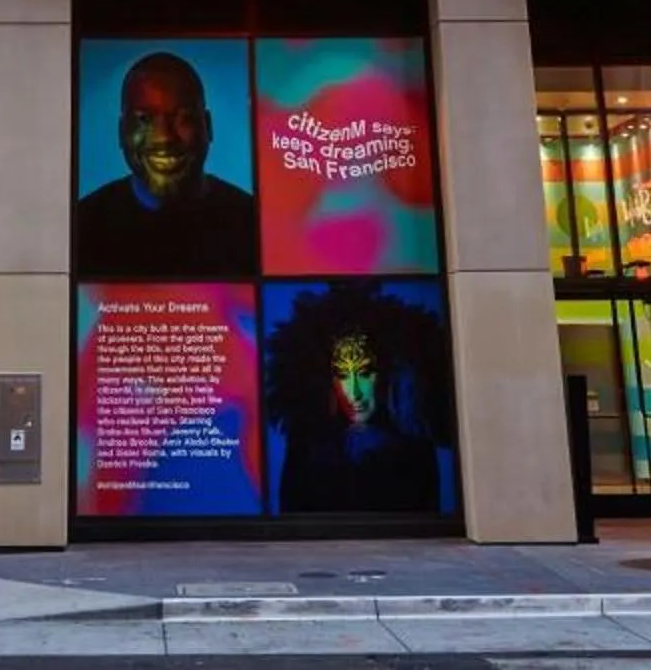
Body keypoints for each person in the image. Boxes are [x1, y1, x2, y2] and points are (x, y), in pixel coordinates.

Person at [77, 49, 257, 277]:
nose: (164, 137)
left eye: (184, 118)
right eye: (144, 119)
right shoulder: (82, 227)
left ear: (208, 126)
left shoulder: (252, 225)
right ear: (122, 131)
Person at [274, 320, 442, 514]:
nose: (355, 392)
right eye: (343, 375)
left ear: (386, 376)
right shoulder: (304, 449)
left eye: (364, 373)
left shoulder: (416, 451)